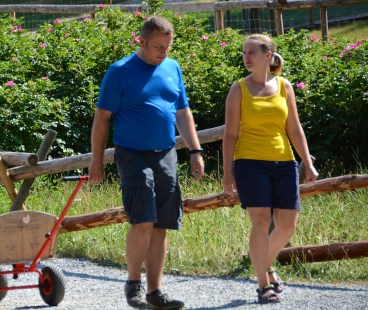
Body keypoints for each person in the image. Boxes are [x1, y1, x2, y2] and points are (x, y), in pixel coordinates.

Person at [88, 15, 204, 309]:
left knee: (162, 223)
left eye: (167, 46)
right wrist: (96, 162)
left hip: (166, 153)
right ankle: (133, 285)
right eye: (157, 46)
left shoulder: (172, 67)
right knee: (143, 219)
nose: (163, 52)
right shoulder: (119, 72)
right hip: (132, 154)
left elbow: (183, 113)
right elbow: (102, 119)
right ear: (141, 41)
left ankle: (155, 292)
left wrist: (195, 151)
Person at [221, 34, 318, 304]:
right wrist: (228, 173)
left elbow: (294, 128)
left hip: (285, 162)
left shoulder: (285, 86)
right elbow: (230, 134)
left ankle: (264, 265)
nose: (246, 57)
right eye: (244, 53)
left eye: (252, 52)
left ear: (268, 55)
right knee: (261, 221)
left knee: (287, 226)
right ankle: (263, 284)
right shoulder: (238, 89)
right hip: (250, 163)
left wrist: (307, 161)